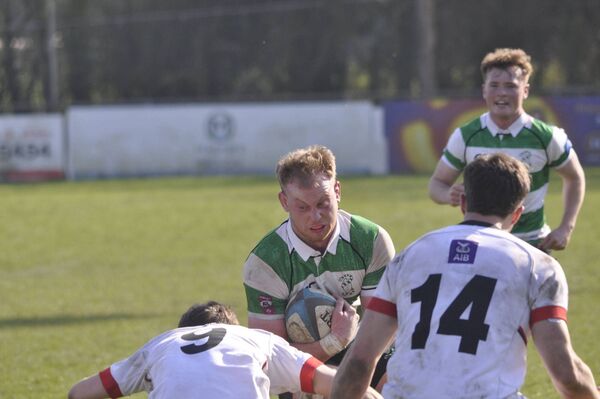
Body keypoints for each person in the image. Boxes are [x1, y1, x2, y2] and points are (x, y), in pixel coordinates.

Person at [331, 153, 599, 399]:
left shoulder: (411, 256)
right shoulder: (538, 266)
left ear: (463, 202)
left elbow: (358, 362)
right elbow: (567, 376)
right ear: (517, 213)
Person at [242, 145, 396, 393]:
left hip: (363, 346)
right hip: (299, 359)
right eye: (302, 207)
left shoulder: (370, 239)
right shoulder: (266, 262)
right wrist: (333, 342)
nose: (316, 216)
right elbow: (271, 358)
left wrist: (353, 377)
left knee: (397, 382)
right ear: (284, 202)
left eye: (323, 203)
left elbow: (380, 326)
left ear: (337, 191)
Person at [428, 47, 585, 252]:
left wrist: (566, 227)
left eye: (511, 86)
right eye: (494, 85)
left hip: (531, 245)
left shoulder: (546, 136)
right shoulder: (465, 135)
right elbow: (436, 185)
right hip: (480, 245)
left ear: (525, 91)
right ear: (484, 90)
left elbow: (575, 177)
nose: (502, 92)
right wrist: (448, 194)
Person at [68, 301, 383, 399]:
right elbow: (337, 384)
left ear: (184, 329)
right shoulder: (256, 339)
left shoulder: (161, 344)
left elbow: (79, 394)